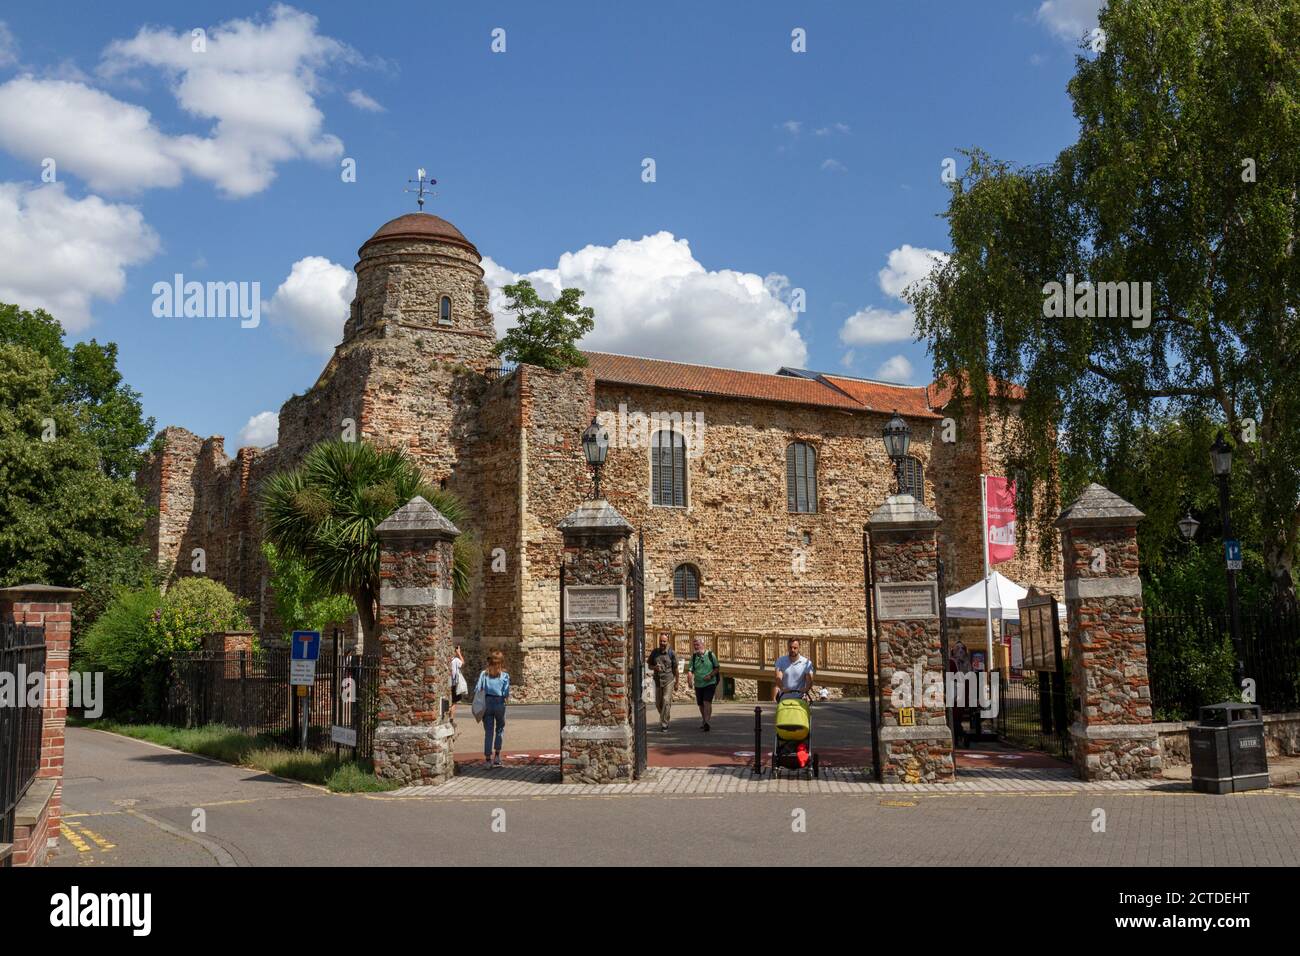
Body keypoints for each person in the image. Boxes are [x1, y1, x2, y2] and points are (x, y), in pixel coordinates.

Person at [474, 649, 511, 767]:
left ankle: (487, 759)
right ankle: (497, 756)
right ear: (501, 662)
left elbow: (477, 688)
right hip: (500, 703)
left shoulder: (484, 674)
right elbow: (506, 692)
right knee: (500, 729)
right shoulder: (505, 675)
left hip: (487, 702)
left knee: (488, 731)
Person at [687, 637, 720, 731]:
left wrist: (710, 675)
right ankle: (704, 719)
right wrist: (689, 679)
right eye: (694, 645)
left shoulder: (710, 655)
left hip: (710, 683)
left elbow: (717, 668)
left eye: (697, 645)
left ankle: (707, 721)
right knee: (701, 704)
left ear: (702, 645)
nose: (696, 647)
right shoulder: (693, 657)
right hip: (698, 684)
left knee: (707, 702)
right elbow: (690, 670)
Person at [647, 634, 678, 731]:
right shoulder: (654, 652)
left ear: (667, 642)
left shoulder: (672, 653)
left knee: (666, 700)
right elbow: (649, 665)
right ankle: (665, 715)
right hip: (657, 680)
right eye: (661, 641)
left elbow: (675, 669)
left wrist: (677, 682)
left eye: (664, 641)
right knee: (658, 703)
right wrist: (654, 667)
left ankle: (664, 724)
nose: (662, 643)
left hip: (669, 679)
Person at [449, 644, 466, 722]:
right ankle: (451, 718)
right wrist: (459, 653)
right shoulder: (455, 660)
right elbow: (463, 663)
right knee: (454, 702)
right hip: (454, 684)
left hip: (448, 683)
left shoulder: (448, 660)